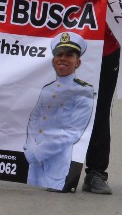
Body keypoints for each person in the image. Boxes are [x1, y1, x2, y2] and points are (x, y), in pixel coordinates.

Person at [37, 0, 122, 195]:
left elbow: (121, 0)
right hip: (68, 54)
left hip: (106, 50)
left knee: (99, 112)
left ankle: (97, 173)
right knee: (65, 110)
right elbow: (43, 8)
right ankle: (60, 170)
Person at [23, 32, 95, 191]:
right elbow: (34, 120)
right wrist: (30, 148)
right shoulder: (47, 89)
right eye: (59, 55)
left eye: (69, 55)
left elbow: (73, 132)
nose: (63, 58)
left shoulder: (83, 91)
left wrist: (39, 152)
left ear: (78, 62)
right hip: (34, 163)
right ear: (53, 61)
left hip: (55, 163)